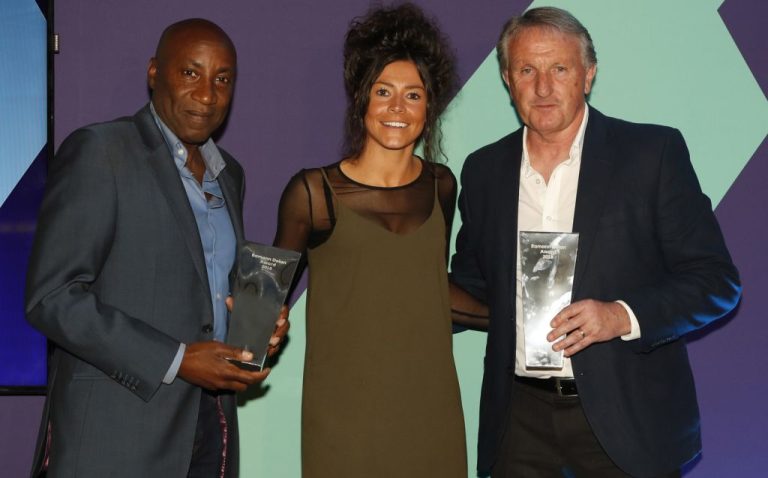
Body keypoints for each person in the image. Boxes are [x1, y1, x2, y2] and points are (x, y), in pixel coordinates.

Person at [450, 6, 741, 478]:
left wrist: (619, 315)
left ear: (588, 75)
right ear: (507, 79)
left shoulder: (651, 154)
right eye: (527, 70)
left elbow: (715, 282)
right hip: (518, 422)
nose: (543, 87)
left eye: (559, 69)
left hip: (625, 420)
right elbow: (472, 287)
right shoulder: (483, 171)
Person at [25, 18, 288, 477]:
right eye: (190, 73)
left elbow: (205, 293)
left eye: (222, 79)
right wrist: (177, 359)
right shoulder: (102, 150)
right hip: (116, 437)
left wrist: (256, 325)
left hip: (209, 429)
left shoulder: (230, 174)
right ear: (154, 72)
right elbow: (51, 298)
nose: (207, 95)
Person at [273, 4, 467, 477]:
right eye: (383, 92)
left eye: (413, 95)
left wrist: (521, 314)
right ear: (362, 98)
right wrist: (250, 329)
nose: (397, 108)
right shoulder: (312, 193)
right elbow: (263, 303)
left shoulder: (442, 185)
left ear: (429, 106)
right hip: (345, 421)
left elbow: (430, 288)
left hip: (431, 413)